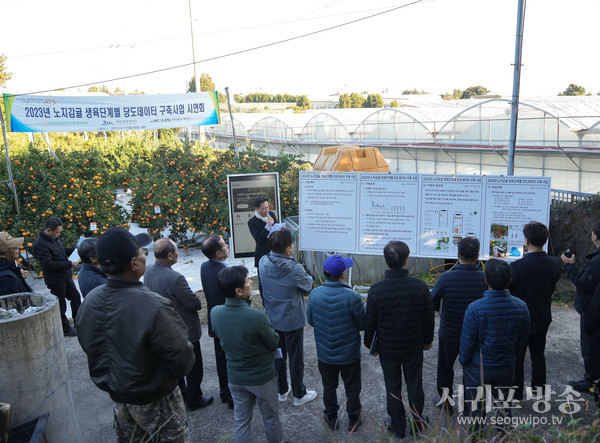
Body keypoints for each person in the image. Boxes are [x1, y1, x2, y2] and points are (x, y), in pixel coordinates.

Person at [76, 227, 195, 443]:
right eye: (143, 252)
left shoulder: (91, 301)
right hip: (157, 400)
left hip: (120, 399)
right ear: (133, 263)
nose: (145, 257)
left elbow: (90, 344)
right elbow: (182, 359)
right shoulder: (153, 305)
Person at [364, 241, 434, 439]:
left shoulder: (376, 289)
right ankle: (418, 423)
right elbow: (428, 317)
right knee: (414, 384)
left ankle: (398, 426)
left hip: (388, 348)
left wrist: (370, 344)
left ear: (386, 261)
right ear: (406, 260)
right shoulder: (420, 287)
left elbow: (370, 320)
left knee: (392, 385)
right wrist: (427, 340)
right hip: (413, 345)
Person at [211, 265, 283, 443]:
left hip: (235, 377)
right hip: (261, 378)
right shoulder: (256, 317)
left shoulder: (215, 313)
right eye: (248, 281)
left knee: (241, 420)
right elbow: (274, 342)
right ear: (238, 291)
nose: (251, 283)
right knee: (271, 418)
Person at [459, 259, 530, 437]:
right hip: (506, 366)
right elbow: (521, 343)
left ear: (486, 280)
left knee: (476, 412)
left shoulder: (474, 308)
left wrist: (464, 362)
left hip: (478, 368)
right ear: (509, 280)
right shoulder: (522, 307)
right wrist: (513, 359)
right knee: (504, 409)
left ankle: (476, 439)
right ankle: (503, 438)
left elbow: (467, 343)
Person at [144, 238, 213, 411]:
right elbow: (193, 302)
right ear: (169, 255)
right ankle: (194, 399)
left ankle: (181, 395)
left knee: (174, 366)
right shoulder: (175, 277)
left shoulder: (149, 271)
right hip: (184, 329)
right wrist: (198, 302)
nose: (178, 253)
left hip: (163, 328)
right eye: (176, 251)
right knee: (193, 366)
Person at [306, 254, 365, 432]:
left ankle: (331, 418)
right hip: (349, 355)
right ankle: (354, 419)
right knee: (352, 388)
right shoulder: (353, 297)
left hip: (325, 354)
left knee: (329, 387)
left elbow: (310, 321)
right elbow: (363, 324)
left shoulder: (314, 295)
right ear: (343, 273)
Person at [259, 229, 316, 407]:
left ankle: (282, 390)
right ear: (288, 249)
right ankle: (299, 394)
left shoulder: (263, 261)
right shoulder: (294, 269)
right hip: (292, 319)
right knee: (296, 358)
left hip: (272, 316)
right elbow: (308, 285)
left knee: (278, 354)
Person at [431, 237, 486, 413]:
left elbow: (432, 302)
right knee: (471, 369)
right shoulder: (485, 279)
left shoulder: (446, 278)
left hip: (450, 332)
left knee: (445, 368)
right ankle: (469, 405)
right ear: (477, 255)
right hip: (476, 333)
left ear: (457, 255)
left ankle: (445, 403)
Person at [509, 221, 562, 400]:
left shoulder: (516, 267)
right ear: (545, 240)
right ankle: (538, 393)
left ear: (526, 241)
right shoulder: (555, 264)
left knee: (517, 357)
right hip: (542, 316)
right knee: (538, 356)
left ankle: (516, 394)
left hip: (520, 319)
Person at [561, 219, 600, 394]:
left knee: (591, 349)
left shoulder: (597, 262)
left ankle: (591, 382)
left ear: (595, 236)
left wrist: (570, 266)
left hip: (593, 312)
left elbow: (584, 284)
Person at [200, 234, 233, 409]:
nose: (227, 246)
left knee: (221, 358)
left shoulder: (205, 266)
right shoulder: (224, 272)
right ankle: (232, 396)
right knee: (231, 359)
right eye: (224, 245)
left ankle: (223, 391)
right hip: (227, 322)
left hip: (214, 321)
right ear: (218, 253)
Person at [33, 217, 81, 336]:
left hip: (65, 276)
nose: (58, 234)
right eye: (56, 232)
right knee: (61, 305)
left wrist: (76, 250)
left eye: (59, 232)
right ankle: (65, 328)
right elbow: (48, 264)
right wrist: (69, 264)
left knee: (75, 297)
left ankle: (78, 322)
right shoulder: (40, 244)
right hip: (55, 279)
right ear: (48, 230)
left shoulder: (55, 239)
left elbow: (62, 251)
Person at [247, 197, 278, 297]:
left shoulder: (271, 215)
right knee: (263, 283)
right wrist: (267, 226)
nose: (266, 210)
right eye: (263, 208)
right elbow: (258, 239)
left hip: (275, 252)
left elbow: (276, 230)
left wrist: (281, 228)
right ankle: (265, 302)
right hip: (262, 254)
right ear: (256, 209)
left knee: (276, 280)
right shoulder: (252, 222)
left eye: (267, 207)